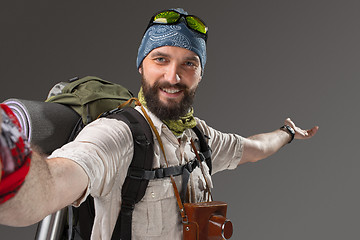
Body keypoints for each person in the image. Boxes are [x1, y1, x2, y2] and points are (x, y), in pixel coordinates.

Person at [0, 8, 318, 240]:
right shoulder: (117, 135)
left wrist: (287, 132)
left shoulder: (200, 137)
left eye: (189, 63)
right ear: (142, 66)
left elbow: (255, 148)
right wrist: (9, 168)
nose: (173, 76)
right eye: (161, 59)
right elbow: (52, 185)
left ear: (200, 73)